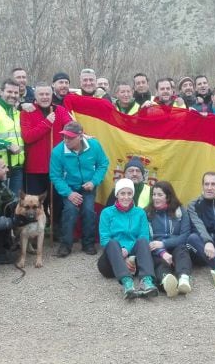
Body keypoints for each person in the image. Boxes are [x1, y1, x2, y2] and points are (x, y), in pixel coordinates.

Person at [50, 121, 110, 257]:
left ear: (81, 136)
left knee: (89, 211)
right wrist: (69, 193)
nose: (66, 140)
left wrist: (94, 182)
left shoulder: (94, 145)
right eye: (64, 136)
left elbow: (103, 164)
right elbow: (55, 176)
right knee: (69, 211)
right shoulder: (57, 152)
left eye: (70, 137)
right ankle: (65, 245)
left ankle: (88, 243)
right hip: (69, 187)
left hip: (88, 186)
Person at [96, 179, 158, 299]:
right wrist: (121, 252)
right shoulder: (106, 213)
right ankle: (127, 282)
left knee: (143, 241)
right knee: (112, 242)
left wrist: (127, 251)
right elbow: (104, 239)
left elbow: (144, 235)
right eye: (122, 193)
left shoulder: (140, 213)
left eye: (129, 193)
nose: (126, 197)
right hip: (112, 257)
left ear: (133, 195)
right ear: (117, 195)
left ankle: (146, 281)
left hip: (134, 257)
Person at [144, 181, 192, 297]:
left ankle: (183, 279)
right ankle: (166, 281)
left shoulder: (180, 211)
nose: (155, 198)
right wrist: (162, 252)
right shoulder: (146, 212)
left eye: (160, 195)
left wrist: (164, 243)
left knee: (182, 251)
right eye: (154, 194)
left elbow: (185, 236)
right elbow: (147, 238)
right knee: (157, 261)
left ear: (168, 196)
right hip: (156, 250)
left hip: (175, 245)